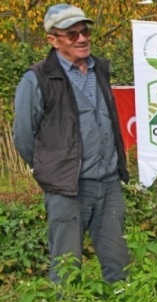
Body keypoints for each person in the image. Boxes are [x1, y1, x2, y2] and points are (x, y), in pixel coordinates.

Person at [13, 3, 131, 284]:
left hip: (109, 183)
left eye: (85, 31)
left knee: (119, 262)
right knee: (66, 265)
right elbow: (24, 136)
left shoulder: (99, 69)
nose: (82, 38)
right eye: (71, 34)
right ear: (53, 40)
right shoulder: (37, 79)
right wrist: (51, 170)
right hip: (68, 188)